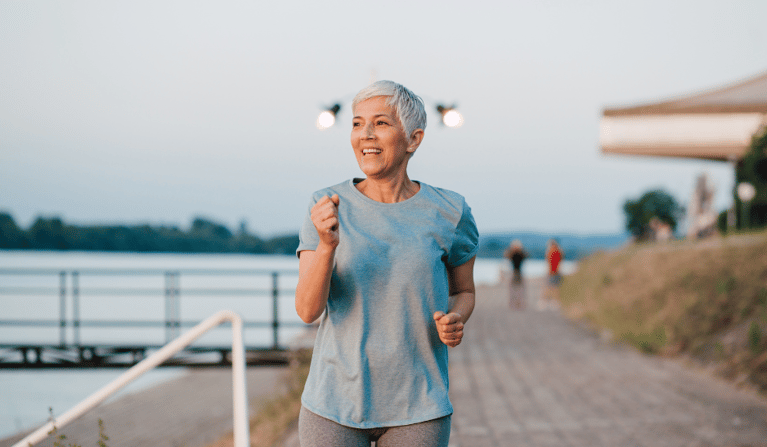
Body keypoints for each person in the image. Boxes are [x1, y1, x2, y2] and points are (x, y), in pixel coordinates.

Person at [294, 80, 479, 447]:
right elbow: (307, 310)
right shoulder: (325, 206)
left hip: (419, 406)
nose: (366, 135)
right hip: (333, 406)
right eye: (357, 123)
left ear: (414, 139)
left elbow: (464, 291)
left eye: (380, 123)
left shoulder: (450, 211)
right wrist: (328, 245)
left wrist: (457, 316)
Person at [503, 240, 527, 309]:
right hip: (516, 272)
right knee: (517, 289)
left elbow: (506, 255)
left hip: (516, 272)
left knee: (516, 289)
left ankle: (516, 303)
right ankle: (516, 303)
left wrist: (512, 249)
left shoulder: (515, 254)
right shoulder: (519, 254)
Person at [543, 239, 563, 309]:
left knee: (548, 287)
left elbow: (548, 259)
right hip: (557, 271)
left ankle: (545, 302)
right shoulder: (558, 251)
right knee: (556, 288)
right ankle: (555, 302)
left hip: (551, 272)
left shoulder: (551, 251)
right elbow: (561, 258)